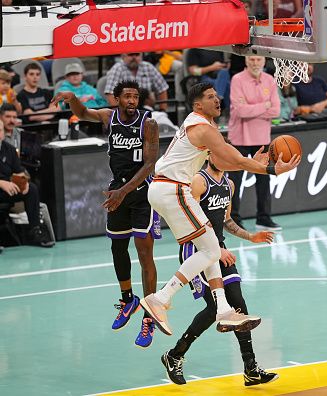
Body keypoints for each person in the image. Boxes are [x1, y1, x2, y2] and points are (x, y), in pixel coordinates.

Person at [140, 82, 299, 336]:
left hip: (165, 188)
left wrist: (251, 164)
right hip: (174, 189)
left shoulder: (201, 125)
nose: (218, 100)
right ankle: (160, 298)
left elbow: (225, 161)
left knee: (209, 248)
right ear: (197, 104)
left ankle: (223, 309)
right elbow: (235, 158)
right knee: (212, 248)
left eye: (217, 96)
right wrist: (271, 169)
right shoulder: (203, 128)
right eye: (211, 97)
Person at [51, 81, 162, 348]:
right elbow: (85, 112)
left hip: (142, 192)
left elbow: (150, 164)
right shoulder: (108, 117)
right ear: (117, 98)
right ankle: (128, 300)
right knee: (117, 248)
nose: (133, 100)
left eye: (136, 96)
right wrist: (72, 98)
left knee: (144, 253)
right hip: (118, 191)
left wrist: (123, 192)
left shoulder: (149, 123)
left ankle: (149, 315)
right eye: (127, 96)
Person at [161, 159, 278, 387]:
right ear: (210, 155)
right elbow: (189, 223)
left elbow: (226, 221)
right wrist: (216, 248)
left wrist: (249, 236)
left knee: (238, 305)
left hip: (218, 250)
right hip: (196, 251)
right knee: (216, 307)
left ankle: (250, 369)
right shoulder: (198, 182)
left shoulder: (228, 184)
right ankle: (175, 354)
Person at [227, 56, 281, 231]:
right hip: (239, 138)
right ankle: (233, 218)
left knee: (264, 180)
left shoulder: (270, 80)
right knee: (235, 181)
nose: (255, 63)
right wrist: (264, 106)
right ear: (246, 61)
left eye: (258, 59)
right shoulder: (237, 80)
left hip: (262, 138)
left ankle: (264, 218)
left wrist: (254, 108)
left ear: (264, 61)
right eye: (252, 59)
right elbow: (241, 111)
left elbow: (276, 110)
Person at [0, 119, 51, 247]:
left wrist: (23, 182)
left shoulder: (10, 149)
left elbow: (19, 171)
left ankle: (35, 231)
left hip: (9, 189)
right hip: (3, 187)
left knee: (32, 189)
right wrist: (1, 183)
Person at [104, 53, 169, 112]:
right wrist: (120, 115)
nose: (134, 57)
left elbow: (162, 89)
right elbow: (110, 94)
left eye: (137, 54)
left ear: (141, 56)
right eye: (130, 55)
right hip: (125, 112)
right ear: (123, 56)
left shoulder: (148, 67)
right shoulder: (117, 68)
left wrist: (162, 110)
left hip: (147, 111)